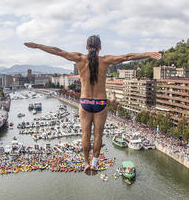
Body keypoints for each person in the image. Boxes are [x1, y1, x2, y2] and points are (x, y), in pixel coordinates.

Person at [24, 36, 161, 172]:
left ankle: (86, 163)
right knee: (98, 135)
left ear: (86, 47)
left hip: (85, 101)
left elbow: (58, 51)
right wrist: (147, 54)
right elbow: (127, 57)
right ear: (100, 48)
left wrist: (37, 45)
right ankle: (95, 163)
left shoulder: (79, 58)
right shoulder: (105, 60)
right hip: (100, 102)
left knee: (85, 134)